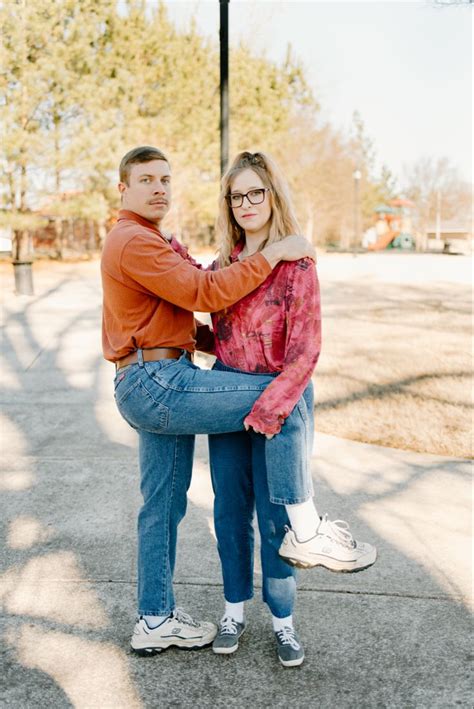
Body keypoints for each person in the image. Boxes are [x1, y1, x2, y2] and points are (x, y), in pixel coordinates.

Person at [100, 146, 316, 655]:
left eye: (166, 180)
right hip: (157, 383)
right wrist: (274, 253)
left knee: (162, 505)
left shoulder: (153, 240)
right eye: (147, 180)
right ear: (123, 189)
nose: (159, 189)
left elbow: (196, 318)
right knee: (285, 394)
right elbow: (205, 292)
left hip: (154, 374)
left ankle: (153, 619)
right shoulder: (133, 240)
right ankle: (308, 528)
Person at [207, 152, 377, 667]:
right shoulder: (223, 265)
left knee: (277, 516)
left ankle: (283, 621)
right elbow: (223, 337)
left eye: (256, 192)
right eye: (237, 195)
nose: (246, 204)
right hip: (227, 398)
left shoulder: (297, 264)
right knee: (230, 512)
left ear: (273, 195)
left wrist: (271, 409)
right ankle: (233, 610)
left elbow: (305, 351)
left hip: (280, 401)